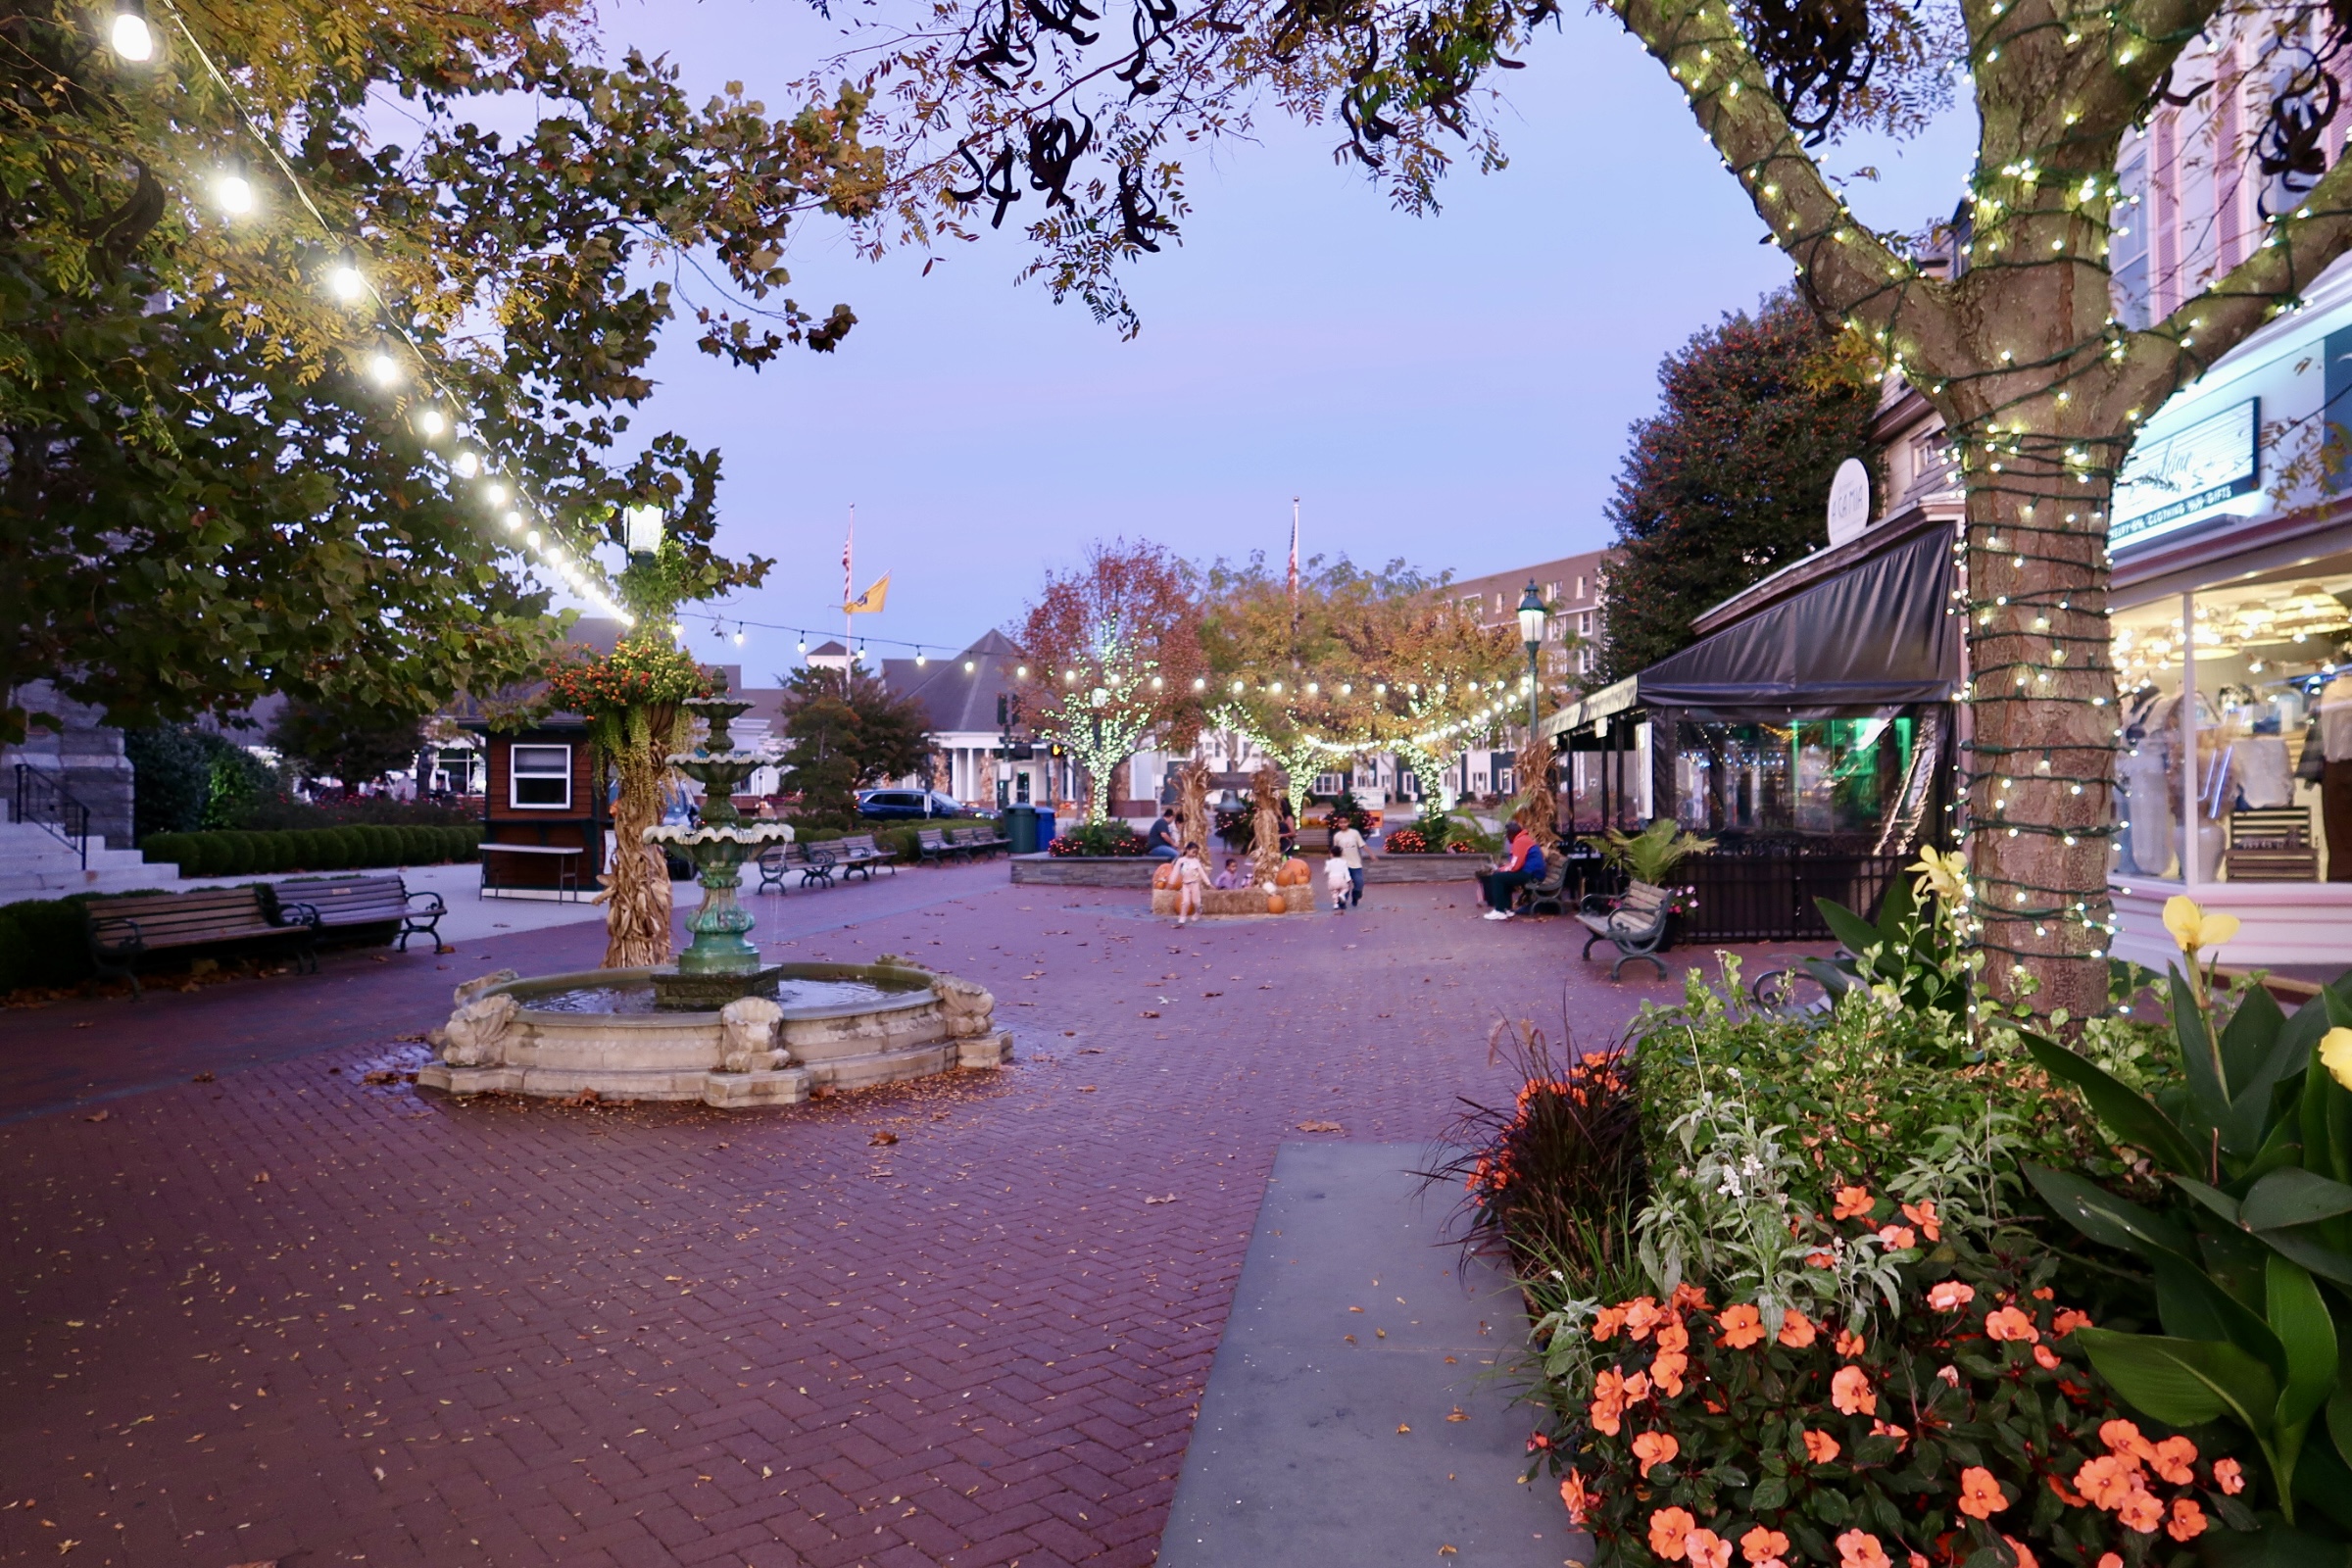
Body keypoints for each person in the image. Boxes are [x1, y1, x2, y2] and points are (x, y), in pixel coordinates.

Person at [1478, 823, 1545, 920]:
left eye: (1507, 834)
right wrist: (1503, 869)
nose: (1507, 837)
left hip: (1532, 875)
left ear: (1512, 833)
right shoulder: (1523, 839)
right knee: (1502, 876)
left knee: (1497, 877)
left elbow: (1516, 866)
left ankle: (1500, 910)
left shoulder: (1520, 841)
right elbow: (1515, 863)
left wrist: (1501, 871)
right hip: (1533, 872)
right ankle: (1507, 909)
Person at [1329, 814, 1367, 909]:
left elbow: (1362, 845)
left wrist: (1372, 855)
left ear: (1349, 822)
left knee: (1359, 883)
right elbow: (1334, 850)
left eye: (1345, 822)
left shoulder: (1354, 833)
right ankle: (1342, 902)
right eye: (1341, 823)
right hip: (1343, 865)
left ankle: (1355, 897)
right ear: (1338, 824)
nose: (1343, 824)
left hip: (1356, 864)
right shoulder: (1337, 836)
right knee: (1344, 884)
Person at [1173, 841, 1211, 926]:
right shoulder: (1181, 860)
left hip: (1194, 884)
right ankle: (1182, 918)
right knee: (1185, 902)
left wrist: (1208, 883)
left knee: (1196, 902)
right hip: (1185, 884)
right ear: (1187, 850)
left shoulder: (1196, 861)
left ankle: (1198, 912)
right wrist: (1171, 881)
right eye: (1193, 852)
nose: (1194, 854)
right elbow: (1175, 871)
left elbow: (1202, 873)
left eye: (1196, 853)